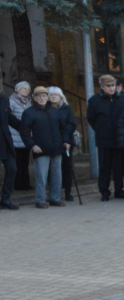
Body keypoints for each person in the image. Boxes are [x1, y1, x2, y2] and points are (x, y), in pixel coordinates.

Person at [21, 87, 73, 209]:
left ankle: (55, 198)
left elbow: (64, 128)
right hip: (40, 149)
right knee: (41, 177)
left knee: (57, 176)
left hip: (57, 148)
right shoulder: (29, 112)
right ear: (34, 98)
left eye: (44, 95)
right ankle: (40, 200)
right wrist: (32, 145)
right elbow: (24, 132)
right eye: (39, 96)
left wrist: (66, 141)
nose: (42, 98)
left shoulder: (55, 111)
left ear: (47, 97)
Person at [87, 74, 124, 201]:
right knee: (104, 167)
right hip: (104, 139)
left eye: (113, 86)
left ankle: (119, 190)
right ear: (102, 86)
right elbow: (91, 119)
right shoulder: (94, 101)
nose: (112, 88)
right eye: (109, 86)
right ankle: (104, 192)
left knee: (118, 167)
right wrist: (100, 129)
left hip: (118, 138)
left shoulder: (122, 99)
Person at [47, 87, 78, 202]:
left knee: (67, 167)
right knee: (53, 168)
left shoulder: (67, 108)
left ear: (61, 96)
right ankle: (54, 192)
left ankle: (68, 192)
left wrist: (66, 140)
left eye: (56, 94)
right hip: (52, 142)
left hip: (66, 142)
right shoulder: (47, 109)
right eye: (51, 95)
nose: (53, 96)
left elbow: (71, 125)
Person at [0, 74, 23, 211]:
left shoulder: (3, 100)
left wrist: (25, 128)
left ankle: (5, 199)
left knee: (12, 168)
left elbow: (10, 118)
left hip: (5, 140)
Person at [9, 81, 32, 192]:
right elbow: (9, 118)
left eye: (27, 89)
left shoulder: (29, 103)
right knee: (17, 162)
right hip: (14, 136)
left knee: (25, 161)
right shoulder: (11, 101)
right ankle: (18, 185)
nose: (26, 91)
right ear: (18, 89)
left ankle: (26, 184)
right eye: (24, 89)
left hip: (25, 137)